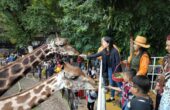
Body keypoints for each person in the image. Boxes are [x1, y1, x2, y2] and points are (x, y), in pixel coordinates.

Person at [80, 36, 122, 102]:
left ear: (108, 43)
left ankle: (123, 97)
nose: (102, 43)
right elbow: (95, 55)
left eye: (103, 42)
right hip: (109, 68)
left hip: (116, 70)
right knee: (111, 82)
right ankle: (112, 97)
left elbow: (118, 63)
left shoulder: (115, 51)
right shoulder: (104, 50)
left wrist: (117, 73)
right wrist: (86, 56)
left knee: (119, 83)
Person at [158, 35, 170, 110]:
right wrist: (158, 84)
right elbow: (161, 72)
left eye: (169, 46)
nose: (166, 48)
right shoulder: (166, 58)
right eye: (166, 45)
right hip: (163, 92)